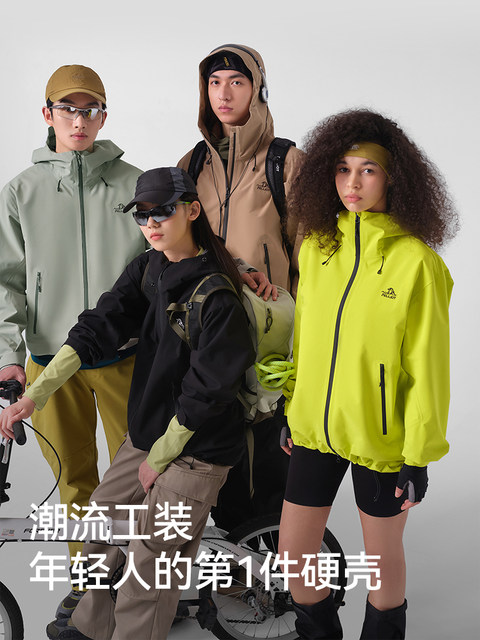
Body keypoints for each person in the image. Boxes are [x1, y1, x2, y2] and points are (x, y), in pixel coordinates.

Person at [0, 167, 255, 640]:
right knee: (100, 525)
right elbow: (99, 325)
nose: (151, 223)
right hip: (151, 432)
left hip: (197, 447)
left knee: (148, 563)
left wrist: (158, 460)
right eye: (142, 215)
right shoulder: (150, 267)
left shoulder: (217, 295)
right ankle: (92, 627)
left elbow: (206, 393)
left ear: (192, 211)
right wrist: (35, 395)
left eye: (163, 211)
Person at [278, 109, 458, 639]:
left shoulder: (417, 264)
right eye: (342, 170)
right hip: (314, 429)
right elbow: (305, 339)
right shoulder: (316, 249)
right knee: (293, 555)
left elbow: (428, 368)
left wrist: (418, 456)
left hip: (382, 439)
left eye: (367, 171)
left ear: (392, 178)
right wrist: (293, 405)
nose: (352, 184)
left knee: (380, 561)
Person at [0, 64, 146, 617]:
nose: (79, 120)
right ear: (48, 114)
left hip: (125, 358)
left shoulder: (135, 185)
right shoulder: (22, 191)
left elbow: (164, 263)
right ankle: (89, 590)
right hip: (49, 360)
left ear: (104, 116)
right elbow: (7, 280)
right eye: (68, 109)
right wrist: (8, 356)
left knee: (138, 482)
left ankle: (141, 586)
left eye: (90, 110)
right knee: (73, 480)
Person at [178, 44, 304, 532]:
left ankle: (274, 559)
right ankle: (231, 564)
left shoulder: (285, 161)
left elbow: (308, 255)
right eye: (214, 83)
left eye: (236, 81)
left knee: (271, 454)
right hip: (209, 331)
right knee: (219, 449)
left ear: (257, 89)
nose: (224, 93)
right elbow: (179, 247)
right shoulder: (192, 164)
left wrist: (302, 332)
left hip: (271, 333)